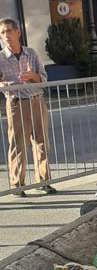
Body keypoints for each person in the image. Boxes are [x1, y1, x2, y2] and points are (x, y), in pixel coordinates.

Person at [0, 17, 56, 197]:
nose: (6, 35)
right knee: (17, 145)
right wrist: (3, 85)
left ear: (18, 32)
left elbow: (44, 79)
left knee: (41, 142)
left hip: (36, 100)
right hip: (16, 103)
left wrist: (33, 75)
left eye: (9, 31)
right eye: (2, 32)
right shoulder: (1, 58)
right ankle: (18, 184)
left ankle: (44, 181)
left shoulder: (31, 53)